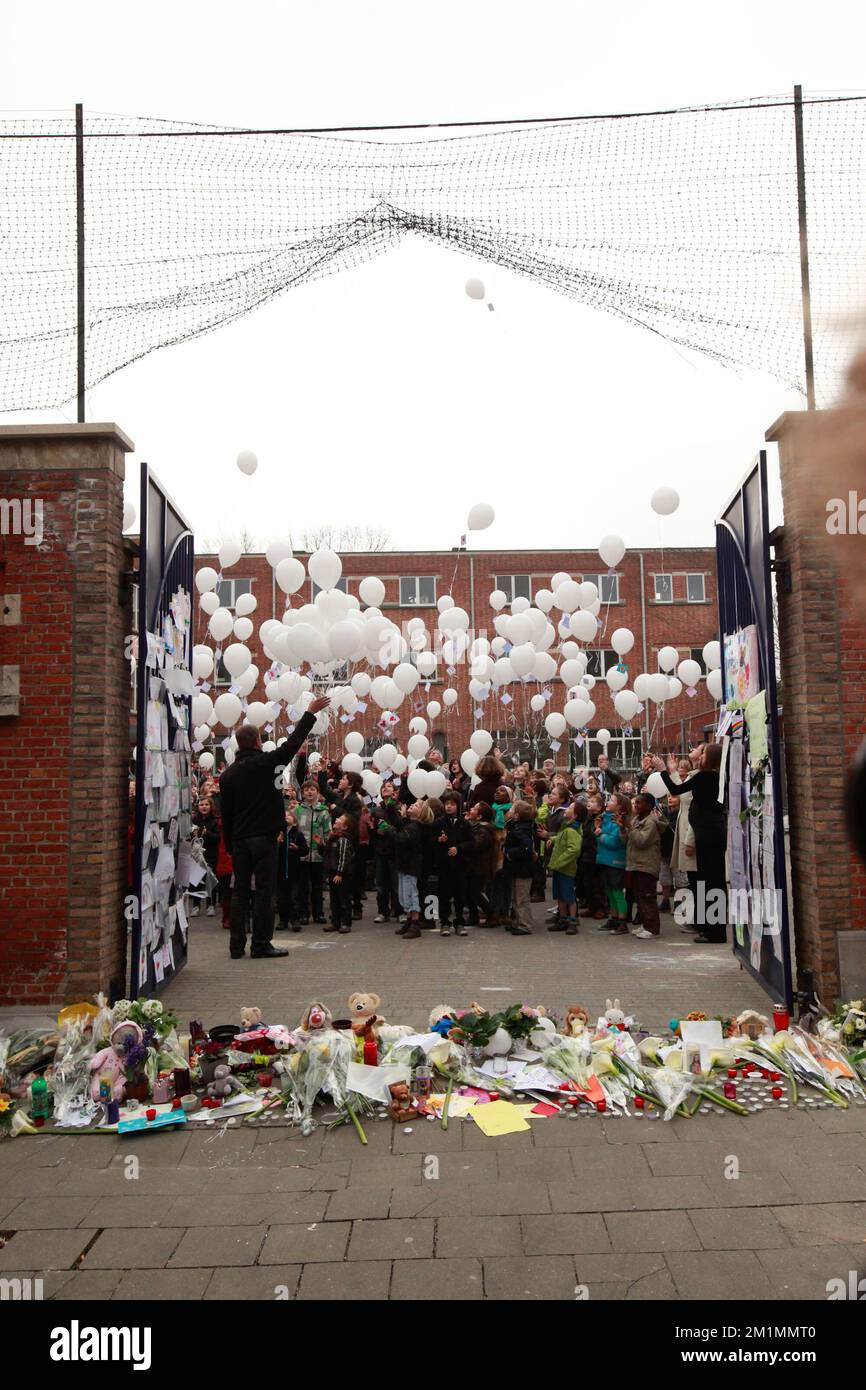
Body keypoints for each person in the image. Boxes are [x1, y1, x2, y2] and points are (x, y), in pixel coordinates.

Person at [218, 697, 328, 959]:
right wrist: (309, 714)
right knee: (265, 892)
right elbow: (292, 744)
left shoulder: (228, 775)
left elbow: (226, 813)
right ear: (257, 742)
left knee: (240, 892)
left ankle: (235, 946)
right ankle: (260, 944)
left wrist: (231, 844)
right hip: (264, 838)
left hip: (240, 839)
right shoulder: (266, 763)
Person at [654, 743, 727, 943]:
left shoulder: (704, 777)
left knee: (709, 881)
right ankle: (710, 927)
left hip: (706, 833)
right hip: (714, 832)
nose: (700, 755)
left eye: (703, 752)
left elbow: (676, 789)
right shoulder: (719, 777)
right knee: (714, 880)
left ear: (709, 758)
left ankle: (715, 932)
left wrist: (663, 771)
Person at [317, 766, 365, 918]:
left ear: (350, 784)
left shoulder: (354, 800)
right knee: (336, 875)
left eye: (344, 779)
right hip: (335, 840)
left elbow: (353, 819)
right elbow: (324, 790)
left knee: (351, 875)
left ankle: (356, 906)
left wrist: (335, 809)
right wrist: (322, 771)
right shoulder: (339, 797)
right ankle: (338, 910)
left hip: (349, 841)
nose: (341, 781)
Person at [433, 790, 474, 936]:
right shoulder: (439, 823)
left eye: (452, 804)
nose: (449, 807)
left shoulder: (465, 824)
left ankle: (459, 922)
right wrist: (439, 840)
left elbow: (471, 842)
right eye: (446, 804)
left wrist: (459, 848)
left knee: (460, 895)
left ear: (458, 806)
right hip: (444, 865)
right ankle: (445, 922)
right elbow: (431, 841)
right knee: (444, 894)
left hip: (460, 865)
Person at [627, 794, 666, 939]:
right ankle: (645, 924)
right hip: (636, 863)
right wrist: (623, 828)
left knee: (647, 895)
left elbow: (641, 841)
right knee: (640, 896)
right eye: (635, 803)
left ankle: (652, 928)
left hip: (647, 864)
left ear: (649, 806)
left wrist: (629, 828)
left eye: (639, 803)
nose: (636, 805)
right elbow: (628, 839)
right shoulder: (636, 819)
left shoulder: (650, 823)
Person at [393, 800, 434, 939]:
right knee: (404, 894)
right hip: (405, 865)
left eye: (416, 806)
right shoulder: (411, 825)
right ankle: (410, 921)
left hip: (411, 866)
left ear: (421, 813)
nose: (411, 805)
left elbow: (402, 838)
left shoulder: (415, 828)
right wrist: (403, 817)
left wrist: (387, 830)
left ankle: (415, 923)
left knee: (411, 894)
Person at [294, 779, 331, 925]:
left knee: (317, 886)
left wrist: (323, 844)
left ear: (318, 793)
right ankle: (303, 913)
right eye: (306, 790)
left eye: (312, 789)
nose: (309, 792)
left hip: (317, 855)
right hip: (302, 855)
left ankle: (318, 913)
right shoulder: (297, 810)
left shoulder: (323, 812)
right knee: (302, 886)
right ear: (302, 793)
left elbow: (328, 832)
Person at [547, 801, 585, 935]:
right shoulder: (567, 827)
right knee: (560, 895)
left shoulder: (573, 830)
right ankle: (562, 919)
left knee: (569, 896)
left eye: (570, 808)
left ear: (575, 816)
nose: (566, 809)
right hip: (560, 868)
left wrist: (559, 861)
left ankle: (572, 920)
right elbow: (563, 837)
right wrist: (554, 839)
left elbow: (574, 849)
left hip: (566, 868)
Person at [594, 791, 630, 933]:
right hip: (604, 859)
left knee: (617, 892)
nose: (608, 802)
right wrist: (599, 831)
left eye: (612, 801)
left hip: (615, 861)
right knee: (609, 891)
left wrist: (600, 834)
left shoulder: (618, 821)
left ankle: (622, 921)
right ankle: (613, 918)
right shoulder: (605, 818)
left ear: (620, 807)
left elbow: (614, 842)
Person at [503, 799, 538, 935]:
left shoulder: (521, 830)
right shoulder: (517, 827)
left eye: (512, 809)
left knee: (521, 898)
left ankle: (525, 924)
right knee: (516, 897)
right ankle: (517, 921)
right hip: (517, 868)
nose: (509, 811)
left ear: (517, 815)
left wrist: (511, 853)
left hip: (522, 869)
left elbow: (526, 848)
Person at [371, 781, 402, 923]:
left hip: (395, 850)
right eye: (383, 787)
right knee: (381, 884)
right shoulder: (376, 810)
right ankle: (383, 911)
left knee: (396, 885)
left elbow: (401, 826)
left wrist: (390, 830)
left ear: (395, 792)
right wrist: (374, 830)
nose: (385, 788)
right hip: (381, 850)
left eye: (389, 786)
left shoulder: (399, 808)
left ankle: (399, 911)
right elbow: (373, 829)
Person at [275, 809, 309, 931]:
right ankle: (283, 920)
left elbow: (305, 850)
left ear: (294, 822)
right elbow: (271, 852)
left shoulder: (298, 834)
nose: (286, 817)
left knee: (294, 897)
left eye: (289, 816)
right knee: (281, 898)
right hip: (280, 871)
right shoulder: (278, 833)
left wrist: (297, 848)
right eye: (284, 816)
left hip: (295, 872)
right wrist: (277, 843)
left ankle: (295, 920)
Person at [466, 800, 496, 924]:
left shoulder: (483, 831)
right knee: (469, 892)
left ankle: (491, 914)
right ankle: (473, 917)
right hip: (473, 865)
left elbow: (476, 845)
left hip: (478, 867)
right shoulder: (476, 827)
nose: (470, 809)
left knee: (475, 893)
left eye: (474, 808)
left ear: (479, 816)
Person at [324, 813, 355, 933]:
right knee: (334, 900)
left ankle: (346, 923)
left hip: (342, 875)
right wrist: (322, 844)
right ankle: (335, 922)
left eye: (340, 819)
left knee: (344, 899)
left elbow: (344, 858)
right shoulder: (332, 838)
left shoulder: (343, 840)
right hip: (332, 873)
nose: (336, 819)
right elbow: (327, 855)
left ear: (345, 827)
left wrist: (339, 873)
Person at [578, 791, 607, 918]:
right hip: (586, 854)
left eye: (593, 801)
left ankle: (602, 907)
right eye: (588, 801)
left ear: (600, 807)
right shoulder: (587, 818)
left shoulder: (601, 819)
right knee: (587, 883)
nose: (589, 802)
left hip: (596, 854)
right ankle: (591, 906)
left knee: (598, 884)